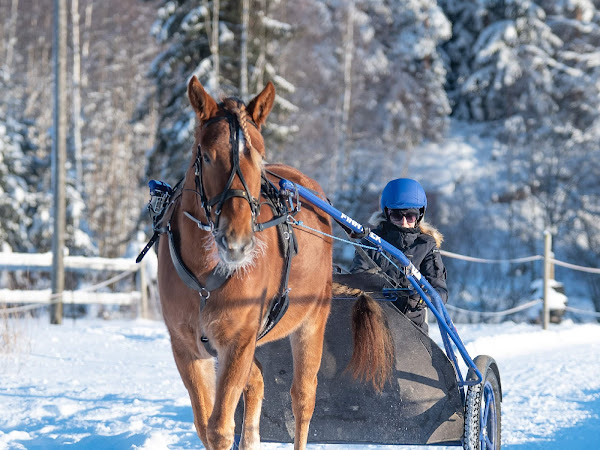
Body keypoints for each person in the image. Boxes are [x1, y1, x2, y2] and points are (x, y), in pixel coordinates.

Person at [350, 178, 448, 334]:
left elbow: (440, 292)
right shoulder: (372, 241)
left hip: (412, 328)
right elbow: (356, 279)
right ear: (387, 213)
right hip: (375, 325)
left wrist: (422, 297)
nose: (403, 222)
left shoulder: (426, 245)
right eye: (397, 215)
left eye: (410, 216)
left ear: (419, 215)